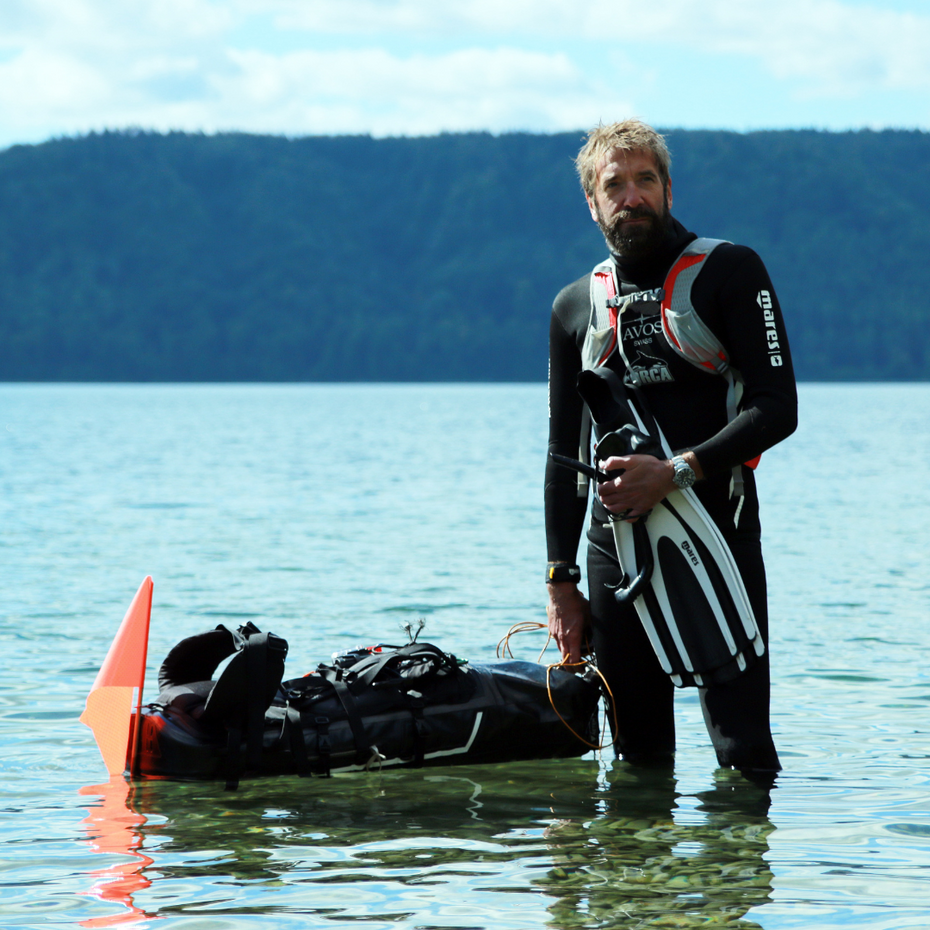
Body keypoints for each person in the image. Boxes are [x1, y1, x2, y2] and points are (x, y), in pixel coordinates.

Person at [545, 119, 797, 775]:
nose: (632, 196)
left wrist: (676, 472)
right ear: (593, 203)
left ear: (668, 187)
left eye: (645, 180)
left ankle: (739, 876)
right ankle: (633, 879)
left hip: (717, 531)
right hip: (614, 551)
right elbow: (563, 459)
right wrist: (560, 581)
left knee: (743, 755)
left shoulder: (730, 272)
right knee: (636, 757)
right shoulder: (575, 307)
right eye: (615, 184)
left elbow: (777, 408)